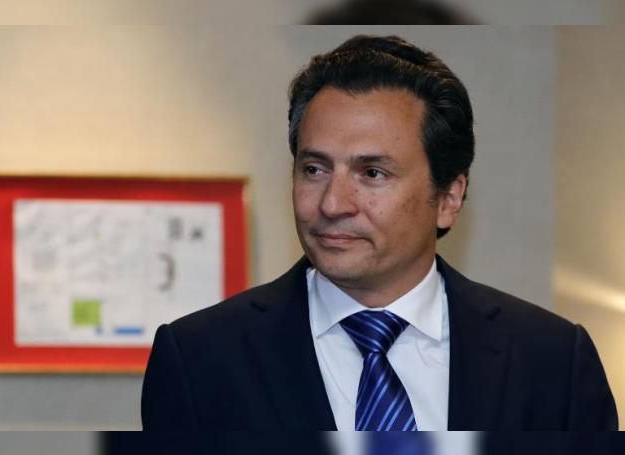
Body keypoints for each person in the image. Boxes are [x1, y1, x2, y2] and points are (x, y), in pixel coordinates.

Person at [141, 34, 618, 430]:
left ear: (448, 198)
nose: (332, 204)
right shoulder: (200, 360)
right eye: (314, 169)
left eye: (372, 174)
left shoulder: (552, 360)